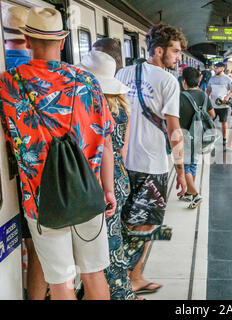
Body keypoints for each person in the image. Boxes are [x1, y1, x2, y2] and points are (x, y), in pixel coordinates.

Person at [0, 7, 115, 300]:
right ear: (62, 41)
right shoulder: (87, 81)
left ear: (27, 40)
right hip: (88, 192)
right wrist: (109, 190)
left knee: (61, 280)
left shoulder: (8, 85)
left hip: (41, 200)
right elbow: (106, 140)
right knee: (93, 274)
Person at [115, 23, 187, 295]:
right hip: (151, 165)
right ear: (159, 51)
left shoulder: (122, 73)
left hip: (122, 164)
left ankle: (126, 275)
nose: (178, 57)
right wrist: (180, 170)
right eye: (175, 51)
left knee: (125, 224)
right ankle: (132, 279)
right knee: (146, 226)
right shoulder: (168, 81)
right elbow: (174, 132)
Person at [78, 50, 139, 300]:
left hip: (101, 184)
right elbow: (122, 150)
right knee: (113, 243)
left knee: (105, 249)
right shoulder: (122, 106)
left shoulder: (88, 105)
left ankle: (118, 294)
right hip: (118, 178)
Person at [2, 4, 48, 300]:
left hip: (15, 169)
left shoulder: (7, 72)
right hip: (41, 175)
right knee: (41, 249)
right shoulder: (44, 70)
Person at [178, 67, 215, 208]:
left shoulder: (180, 96)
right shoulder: (203, 95)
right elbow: (212, 115)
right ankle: (188, 192)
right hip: (200, 134)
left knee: (185, 166)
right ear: (198, 80)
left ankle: (195, 194)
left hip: (184, 134)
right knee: (192, 164)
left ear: (184, 81)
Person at [206, 62, 232, 146]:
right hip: (213, 105)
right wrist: (205, 100)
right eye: (215, 67)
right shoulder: (212, 79)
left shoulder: (227, 79)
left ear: (222, 69)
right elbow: (208, 90)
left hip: (224, 105)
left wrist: (227, 97)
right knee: (210, 120)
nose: (215, 69)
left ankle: (224, 139)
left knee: (224, 122)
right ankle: (215, 134)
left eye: (217, 68)